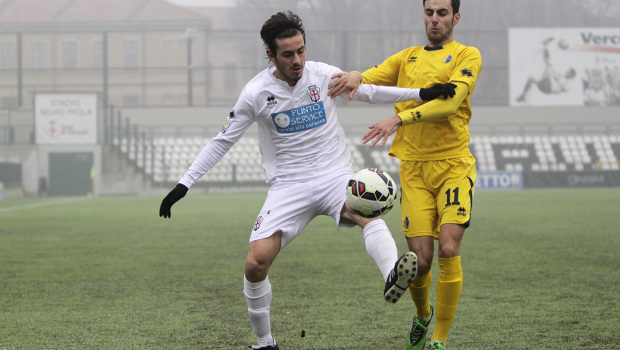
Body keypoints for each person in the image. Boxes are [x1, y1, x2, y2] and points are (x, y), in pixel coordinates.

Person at [159, 11, 456, 350]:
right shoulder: (256, 92)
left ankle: (392, 275)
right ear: (270, 55)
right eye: (288, 54)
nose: (297, 59)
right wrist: (184, 183)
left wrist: (423, 93)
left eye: (301, 50)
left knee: (367, 209)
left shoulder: (323, 74)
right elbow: (222, 140)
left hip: (334, 175)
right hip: (289, 184)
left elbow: (370, 91)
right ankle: (264, 342)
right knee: (255, 264)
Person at [328, 1, 481, 349]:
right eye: (430, 13)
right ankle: (422, 316)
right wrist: (354, 76)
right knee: (420, 261)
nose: (435, 19)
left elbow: (449, 102)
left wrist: (398, 119)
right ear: (424, 15)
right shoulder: (407, 57)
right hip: (413, 169)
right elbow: (370, 77)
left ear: (455, 18)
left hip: (453, 165)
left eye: (442, 13)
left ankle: (439, 339)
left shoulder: (467, 55)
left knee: (449, 247)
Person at [515, 37, 576, 103]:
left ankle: (545, 47)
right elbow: (553, 74)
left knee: (549, 66)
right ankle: (523, 96)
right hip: (544, 85)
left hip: (549, 88)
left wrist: (557, 79)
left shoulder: (569, 83)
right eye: (567, 71)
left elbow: (566, 89)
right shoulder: (561, 76)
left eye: (568, 72)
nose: (566, 72)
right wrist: (555, 75)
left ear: (571, 75)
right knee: (531, 78)